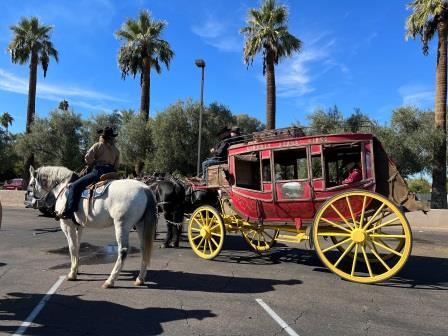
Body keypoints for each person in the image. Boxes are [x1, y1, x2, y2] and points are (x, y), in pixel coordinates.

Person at [60, 126, 120, 219]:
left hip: (99, 172)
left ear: (103, 136)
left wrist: (93, 162)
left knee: (74, 186)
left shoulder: (98, 145)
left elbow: (88, 158)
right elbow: (116, 166)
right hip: (111, 173)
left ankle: (69, 211)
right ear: (112, 138)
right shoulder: (116, 150)